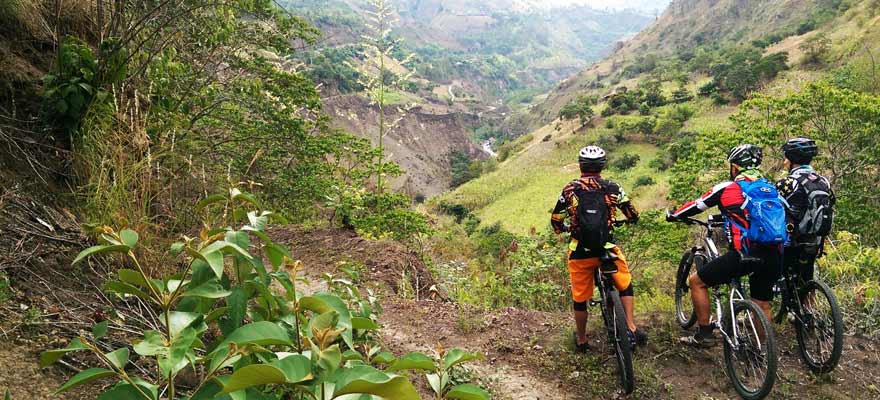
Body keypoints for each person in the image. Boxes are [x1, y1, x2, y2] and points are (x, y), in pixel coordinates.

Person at [667, 144, 783, 347]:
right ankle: (759, 349)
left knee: (697, 282)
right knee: (762, 303)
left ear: (735, 168)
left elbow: (697, 205)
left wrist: (674, 215)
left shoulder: (727, 188)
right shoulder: (770, 188)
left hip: (745, 255)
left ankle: (704, 335)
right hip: (774, 253)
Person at [551, 145, 647, 352]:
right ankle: (630, 327)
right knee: (625, 284)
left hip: (580, 251)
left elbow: (556, 219)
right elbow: (632, 213)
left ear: (580, 165)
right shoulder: (613, 188)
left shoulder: (570, 190)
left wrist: (563, 228)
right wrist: (627, 219)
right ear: (602, 166)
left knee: (580, 298)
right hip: (607, 248)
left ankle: (582, 339)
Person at [776, 138, 835, 287]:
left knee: (773, 273)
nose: (784, 162)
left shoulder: (788, 183)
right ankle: (810, 309)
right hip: (815, 239)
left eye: (786, 158)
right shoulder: (822, 181)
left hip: (793, 241)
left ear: (791, 160)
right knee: (806, 278)